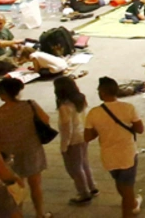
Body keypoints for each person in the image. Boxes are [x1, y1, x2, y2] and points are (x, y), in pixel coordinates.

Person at [0, 77, 50, 218]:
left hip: (10, 154)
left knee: (16, 188)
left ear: (3, 95)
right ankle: (40, 214)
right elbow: (46, 120)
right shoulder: (30, 105)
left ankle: (18, 214)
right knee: (35, 185)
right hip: (32, 149)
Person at [84, 77, 143, 217]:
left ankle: (133, 203)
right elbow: (140, 129)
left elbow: (87, 137)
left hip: (108, 156)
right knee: (127, 189)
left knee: (121, 184)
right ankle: (130, 208)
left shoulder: (94, 113)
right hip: (127, 154)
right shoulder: (128, 108)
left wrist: (102, 129)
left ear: (103, 92)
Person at [53, 77, 96, 206]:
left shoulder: (64, 106)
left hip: (73, 140)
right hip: (83, 135)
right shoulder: (80, 99)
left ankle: (83, 193)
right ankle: (92, 186)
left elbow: (67, 128)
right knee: (84, 163)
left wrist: (64, 146)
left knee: (74, 168)